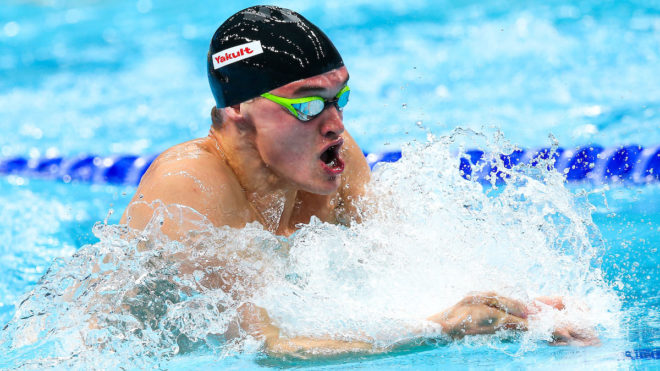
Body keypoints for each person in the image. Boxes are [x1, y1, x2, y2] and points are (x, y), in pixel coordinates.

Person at [119, 5, 595, 358]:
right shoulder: (190, 187)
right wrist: (441, 329)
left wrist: (504, 309)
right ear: (239, 112)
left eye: (339, 98)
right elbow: (266, 347)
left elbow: (402, 267)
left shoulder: (330, 160)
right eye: (307, 105)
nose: (335, 125)